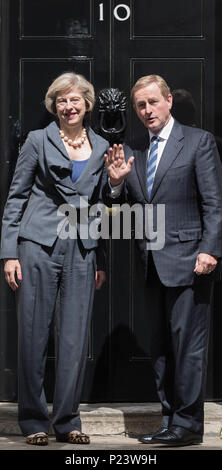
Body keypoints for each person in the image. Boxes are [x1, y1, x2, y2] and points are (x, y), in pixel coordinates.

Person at [103, 74, 222, 446]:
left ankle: (188, 426)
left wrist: (210, 248)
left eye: (153, 102)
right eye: (140, 105)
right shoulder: (135, 150)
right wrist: (117, 185)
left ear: (169, 101)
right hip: (151, 265)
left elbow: (214, 203)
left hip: (190, 262)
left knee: (188, 348)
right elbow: (121, 214)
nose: (147, 110)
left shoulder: (198, 142)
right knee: (160, 349)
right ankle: (170, 421)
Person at [0, 72, 107, 445]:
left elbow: (100, 207)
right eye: (61, 100)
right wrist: (9, 252)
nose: (68, 106)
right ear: (53, 105)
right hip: (37, 245)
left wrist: (101, 258)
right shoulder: (37, 140)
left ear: (87, 104)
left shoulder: (102, 145)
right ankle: (33, 422)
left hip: (81, 250)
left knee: (75, 340)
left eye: (75, 99)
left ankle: (67, 421)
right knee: (32, 334)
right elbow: (16, 198)